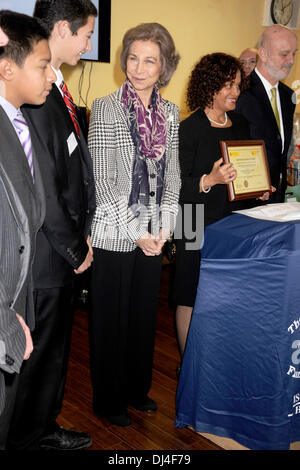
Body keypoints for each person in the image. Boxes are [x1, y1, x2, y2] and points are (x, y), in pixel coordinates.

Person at [7, 0, 97, 451]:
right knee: (36, 356)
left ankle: (41, 426)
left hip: (57, 250)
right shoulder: (38, 95)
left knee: (51, 353)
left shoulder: (55, 86)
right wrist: (75, 247)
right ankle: (30, 434)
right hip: (46, 253)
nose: (88, 43)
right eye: (86, 34)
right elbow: (42, 184)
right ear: (63, 29)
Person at [88, 22, 181, 427]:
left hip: (154, 231)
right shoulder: (106, 107)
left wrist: (165, 229)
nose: (139, 68)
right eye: (132, 58)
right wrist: (137, 232)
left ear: (164, 67)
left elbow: (174, 176)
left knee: (144, 318)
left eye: (150, 61)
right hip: (114, 230)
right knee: (110, 320)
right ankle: (108, 399)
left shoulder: (171, 113)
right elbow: (103, 179)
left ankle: (135, 390)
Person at [173, 53, 272, 358]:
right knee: (188, 294)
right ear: (209, 86)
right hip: (191, 219)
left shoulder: (240, 122)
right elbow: (176, 186)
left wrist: (260, 189)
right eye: (228, 85)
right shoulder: (188, 129)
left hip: (231, 221)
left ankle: (218, 359)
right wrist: (210, 179)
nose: (235, 92)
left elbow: (244, 173)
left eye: (238, 85)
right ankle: (189, 362)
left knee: (226, 291)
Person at [0, 9, 55, 449]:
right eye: (42, 64)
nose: (52, 74)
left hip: (18, 298)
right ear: (7, 66)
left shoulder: (20, 120)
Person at [236, 25, 297, 203]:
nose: (291, 60)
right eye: (284, 54)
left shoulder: (288, 95)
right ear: (263, 54)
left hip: (278, 196)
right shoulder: (240, 93)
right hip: (249, 198)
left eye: (294, 53)